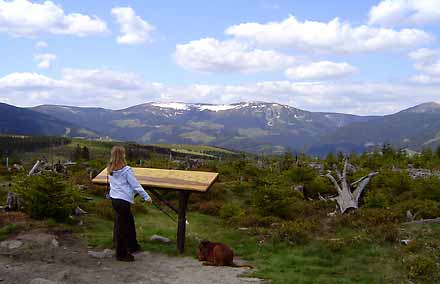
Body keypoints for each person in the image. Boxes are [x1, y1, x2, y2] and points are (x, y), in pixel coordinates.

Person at [107, 146, 152, 262]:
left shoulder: (110, 169)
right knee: (122, 228)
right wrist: (146, 197)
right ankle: (121, 254)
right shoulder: (126, 170)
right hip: (123, 201)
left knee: (127, 222)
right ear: (123, 155)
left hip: (115, 199)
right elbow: (135, 185)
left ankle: (132, 245)